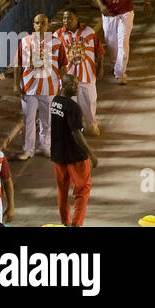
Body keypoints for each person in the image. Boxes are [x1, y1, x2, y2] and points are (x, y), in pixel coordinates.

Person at [93, 0, 151, 85]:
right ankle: (116, 65)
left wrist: (147, 1)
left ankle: (120, 73)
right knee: (112, 44)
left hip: (126, 12)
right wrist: (101, 5)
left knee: (123, 42)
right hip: (109, 14)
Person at [14, 13, 64, 160]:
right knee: (28, 119)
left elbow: (63, 65)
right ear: (33, 25)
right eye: (37, 23)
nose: (40, 26)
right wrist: (16, 84)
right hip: (29, 88)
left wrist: (63, 84)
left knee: (47, 120)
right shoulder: (25, 41)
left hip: (49, 88)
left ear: (47, 25)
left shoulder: (56, 42)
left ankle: (45, 147)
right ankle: (28, 150)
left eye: (43, 23)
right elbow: (17, 65)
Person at [50, 73, 97, 227]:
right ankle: (76, 223)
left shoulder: (55, 102)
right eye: (73, 84)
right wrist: (90, 153)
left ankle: (65, 222)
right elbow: (76, 133)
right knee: (82, 190)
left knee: (62, 190)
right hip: (75, 156)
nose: (76, 87)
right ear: (65, 85)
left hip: (58, 154)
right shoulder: (73, 107)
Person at [54, 9, 102, 135]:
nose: (66, 21)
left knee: (90, 102)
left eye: (69, 18)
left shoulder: (89, 32)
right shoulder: (57, 35)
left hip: (87, 76)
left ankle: (92, 125)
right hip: (68, 78)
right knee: (71, 106)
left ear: (77, 18)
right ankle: (75, 130)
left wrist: (101, 67)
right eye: (64, 18)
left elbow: (99, 51)